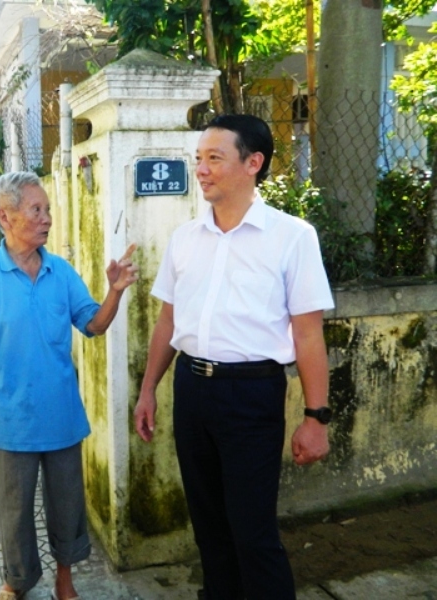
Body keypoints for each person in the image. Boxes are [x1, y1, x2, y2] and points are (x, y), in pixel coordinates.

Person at [133, 114, 334, 600]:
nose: (201, 169)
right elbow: (167, 322)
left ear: (253, 163)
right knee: (208, 528)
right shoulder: (185, 238)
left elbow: (307, 335)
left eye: (214, 158)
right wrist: (147, 391)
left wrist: (316, 418)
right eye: (198, 158)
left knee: (252, 532)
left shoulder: (292, 236)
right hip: (192, 390)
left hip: (251, 393)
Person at [0, 171, 138, 600]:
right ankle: (17, 581)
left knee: (67, 506)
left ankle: (65, 580)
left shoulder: (61, 271)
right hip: (7, 416)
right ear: (5, 216)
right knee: (14, 510)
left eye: (48, 209)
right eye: (37, 210)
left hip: (60, 413)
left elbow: (93, 324)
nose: (47, 219)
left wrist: (115, 291)